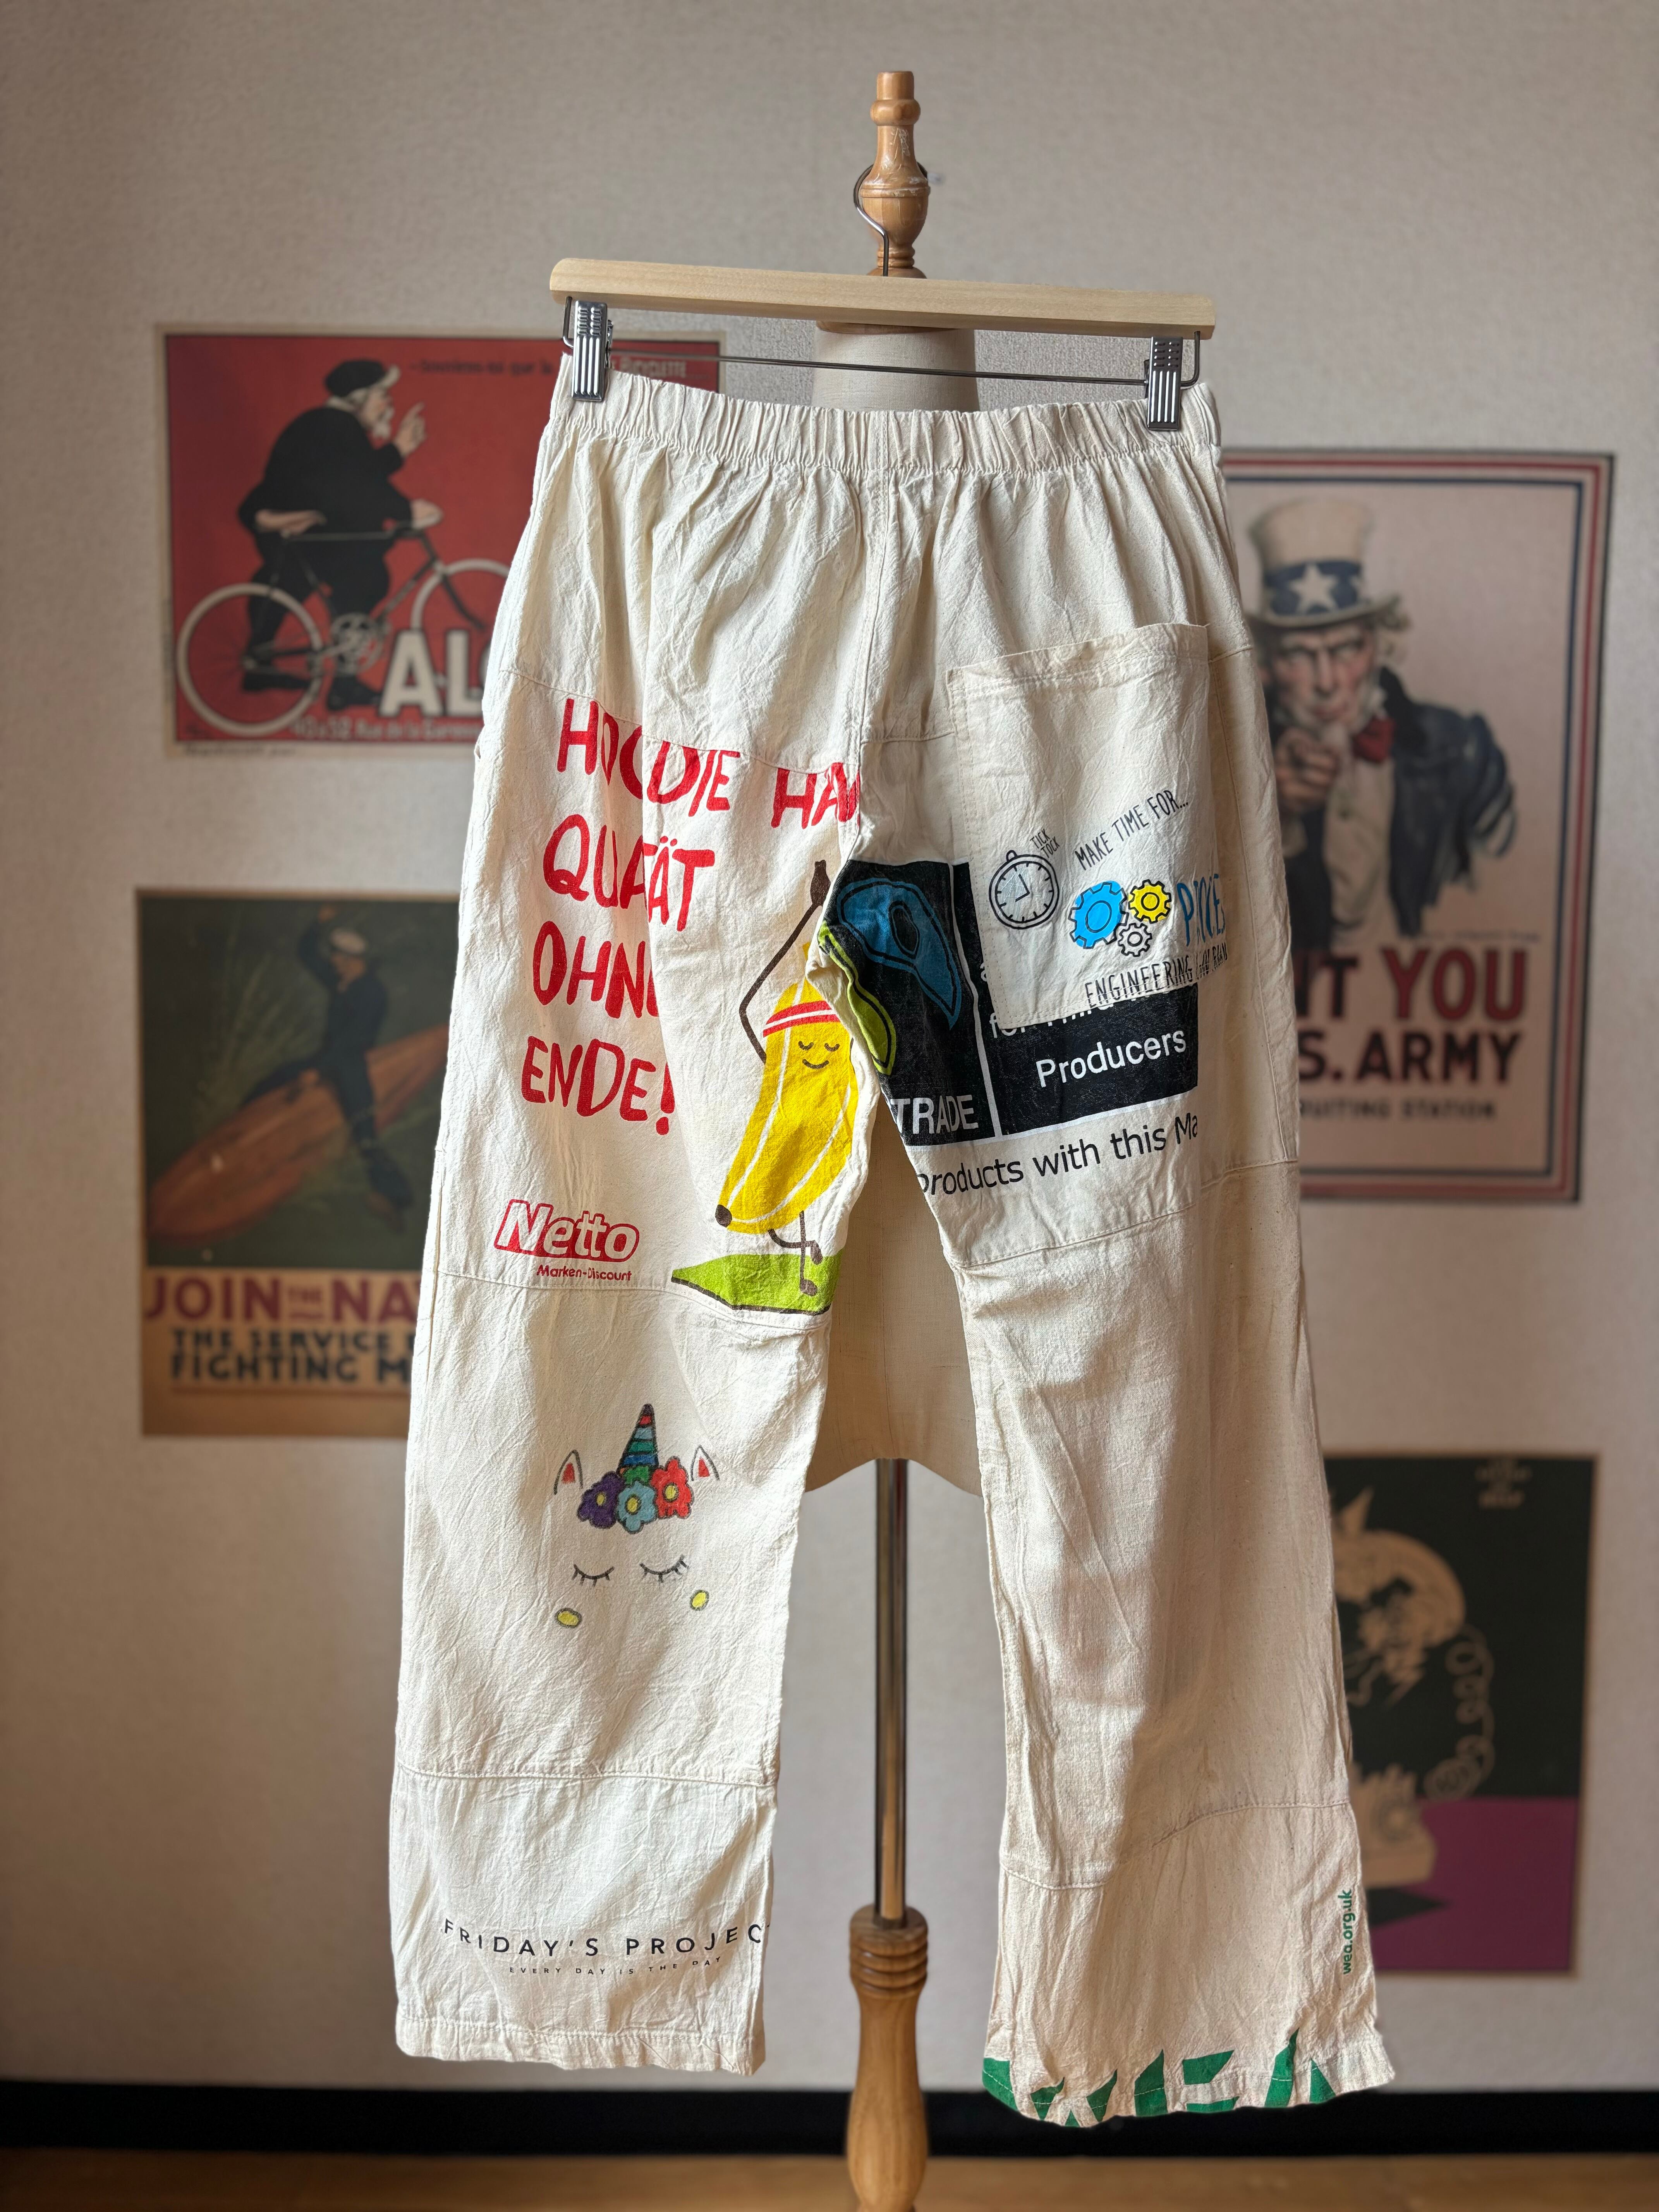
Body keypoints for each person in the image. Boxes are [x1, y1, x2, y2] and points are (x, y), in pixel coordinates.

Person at [1250, 499, 1515, 953]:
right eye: (1298, 655)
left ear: (1378, 646)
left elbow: (1503, 893)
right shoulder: (1233, 769)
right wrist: (1275, 813)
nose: (1328, 682)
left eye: (1345, 649)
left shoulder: (1463, 749)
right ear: (1266, 664)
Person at [237, 359, 443, 711]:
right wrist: (405, 505)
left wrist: (402, 502)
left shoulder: (329, 424)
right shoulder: (334, 425)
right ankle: (341, 684)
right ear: (358, 398)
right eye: (382, 396)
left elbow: (356, 480)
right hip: (301, 532)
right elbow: (357, 485)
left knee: (310, 585)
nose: (388, 405)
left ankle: (283, 670)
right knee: (366, 579)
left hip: (304, 531)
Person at [243, 907, 414, 1228]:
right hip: (327, 1059)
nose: (334, 963)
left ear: (354, 961)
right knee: (272, 1083)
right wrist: (318, 923)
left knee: (365, 1135)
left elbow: (351, 1042)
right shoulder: (341, 981)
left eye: (339, 959)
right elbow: (307, 954)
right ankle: (242, 1127)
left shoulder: (372, 993)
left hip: (350, 1066)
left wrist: (318, 1072)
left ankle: (395, 1199)